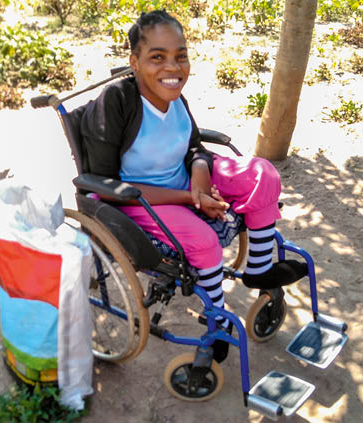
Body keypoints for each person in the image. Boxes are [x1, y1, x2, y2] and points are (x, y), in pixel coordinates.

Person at [78, 10, 307, 362]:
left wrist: (200, 179)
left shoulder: (176, 100)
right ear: (134, 62)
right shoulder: (116, 103)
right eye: (158, 57)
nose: (173, 68)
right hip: (137, 201)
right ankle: (217, 315)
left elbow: (195, 147)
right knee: (202, 238)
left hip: (186, 182)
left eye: (180, 56)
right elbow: (105, 185)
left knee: (263, 174)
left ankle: (259, 269)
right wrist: (191, 197)